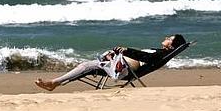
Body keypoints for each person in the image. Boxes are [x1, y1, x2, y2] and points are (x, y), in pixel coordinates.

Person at [35, 34, 186, 91]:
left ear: (171, 45)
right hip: (123, 66)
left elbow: (145, 58)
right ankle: (56, 83)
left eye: (169, 38)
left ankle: (54, 83)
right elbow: (143, 56)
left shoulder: (159, 54)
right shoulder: (160, 52)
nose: (166, 37)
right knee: (88, 65)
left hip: (125, 70)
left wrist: (126, 50)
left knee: (86, 66)